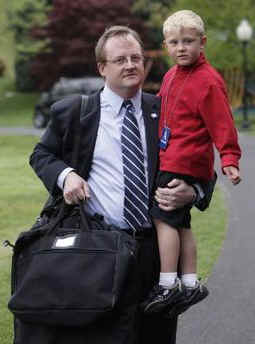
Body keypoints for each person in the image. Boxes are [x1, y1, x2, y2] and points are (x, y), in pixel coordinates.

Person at [27, 25, 215, 344]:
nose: (130, 65)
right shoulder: (75, 113)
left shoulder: (167, 110)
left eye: (135, 58)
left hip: (155, 253)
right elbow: (41, 153)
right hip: (99, 250)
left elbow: (201, 160)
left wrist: (194, 191)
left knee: (155, 336)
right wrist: (66, 175)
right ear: (102, 68)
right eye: (120, 60)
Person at [142, 10, 242, 318]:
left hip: (184, 160)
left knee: (164, 219)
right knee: (181, 222)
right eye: (174, 42)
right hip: (170, 154)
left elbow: (222, 123)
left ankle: (167, 284)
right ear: (166, 45)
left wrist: (229, 158)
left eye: (188, 41)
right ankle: (189, 282)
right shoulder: (171, 76)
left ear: (203, 42)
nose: (181, 48)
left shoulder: (209, 80)